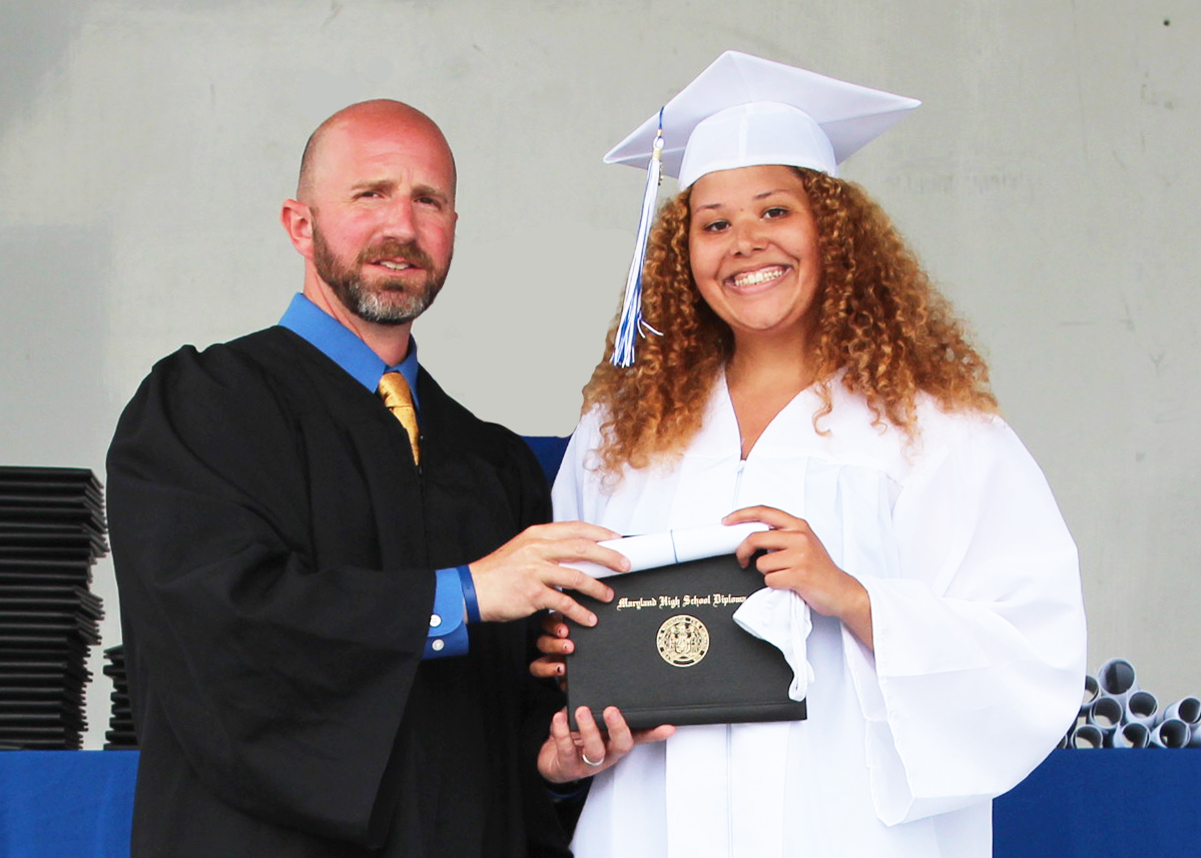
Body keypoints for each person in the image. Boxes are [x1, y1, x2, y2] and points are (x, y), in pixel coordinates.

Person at [533, 52, 1087, 857]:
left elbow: (1032, 654)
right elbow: (569, 621)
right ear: (681, 255)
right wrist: (568, 655)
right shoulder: (621, 436)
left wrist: (854, 597)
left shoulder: (934, 431)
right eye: (713, 223)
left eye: (774, 211)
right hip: (648, 826)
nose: (744, 243)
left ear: (831, 229)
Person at [105, 99, 633, 858]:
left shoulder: (491, 463)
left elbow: (510, 700)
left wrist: (549, 758)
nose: (402, 226)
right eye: (370, 194)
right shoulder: (202, 407)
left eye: (429, 200)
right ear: (299, 224)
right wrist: (462, 595)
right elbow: (221, 625)